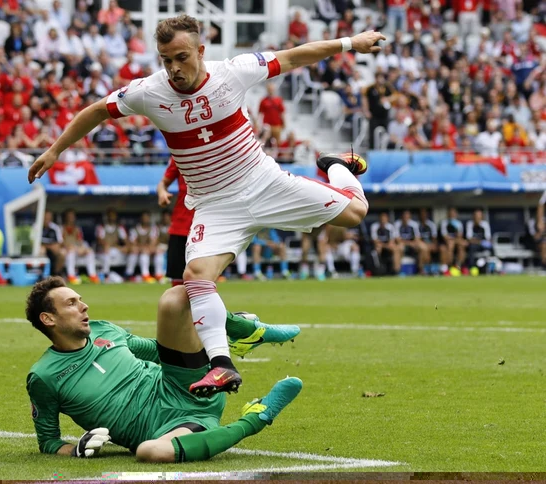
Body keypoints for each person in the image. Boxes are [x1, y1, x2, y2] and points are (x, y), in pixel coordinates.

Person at [28, 15, 384, 396]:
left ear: (200, 51)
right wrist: (55, 150)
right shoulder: (149, 92)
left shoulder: (233, 72)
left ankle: (333, 165)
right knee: (195, 274)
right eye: (166, 60)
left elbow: (295, 56)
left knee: (355, 213)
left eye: (181, 57)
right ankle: (221, 365)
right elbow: (98, 110)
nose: (174, 68)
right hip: (215, 205)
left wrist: (350, 43)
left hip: (263, 182)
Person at [25, 276, 301, 461]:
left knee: (176, 297)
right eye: (71, 304)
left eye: (80, 299)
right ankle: (257, 417)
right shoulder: (44, 376)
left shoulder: (106, 330)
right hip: (171, 427)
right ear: (48, 318)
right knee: (149, 452)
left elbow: (161, 350)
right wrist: (76, 450)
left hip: (186, 383)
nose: (84, 306)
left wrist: (205, 343)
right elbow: (48, 441)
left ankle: (246, 331)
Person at [157, 157, 194, 287]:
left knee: (204, 277)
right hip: (181, 224)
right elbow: (162, 184)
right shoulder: (179, 155)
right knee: (178, 280)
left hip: (206, 224)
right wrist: (162, 193)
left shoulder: (214, 151)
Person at [62, 210, 99, 285]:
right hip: (66, 250)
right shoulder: (61, 228)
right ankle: (71, 276)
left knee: (89, 251)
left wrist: (82, 248)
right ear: (66, 218)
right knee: (71, 252)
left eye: (72, 216)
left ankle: (92, 275)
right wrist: (72, 247)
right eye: (69, 216)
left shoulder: (77, 229)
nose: (71, 218)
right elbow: (61, 242)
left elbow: (80, 241)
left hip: (76, 249)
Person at [95, 207, 129, 282]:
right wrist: (108, 246)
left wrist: (124, 247)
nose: (111, 217)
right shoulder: (101, 227)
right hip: (102, 253)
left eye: (113, 216)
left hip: (116, 251)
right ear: (106, 217)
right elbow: (101, 241)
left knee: (128, 253)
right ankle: (105, 275)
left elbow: (126, 241)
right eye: (109, 215)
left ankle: (129, 275)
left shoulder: (119, 228)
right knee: (107, 253)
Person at [126, 211, 159, 283]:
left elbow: (153, 242)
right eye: (144, 218)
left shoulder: (153, 228)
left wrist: (148, 248)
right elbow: (133, 243)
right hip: (137, 250)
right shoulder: (134, 229)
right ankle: (129, 274)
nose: (145, 220)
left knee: (154, 252)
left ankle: (155, 275)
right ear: (141, 219)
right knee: (133, 252)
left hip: (148, 251)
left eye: (147, 218)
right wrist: (142, 248)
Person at [394, 210, 429, 275]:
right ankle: (398, 270)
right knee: (398, 248)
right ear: (402, 217)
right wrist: (409, 243)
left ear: (409, 217)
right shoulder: (397, 224)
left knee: (423, 247)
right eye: (404, 217)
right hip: (402, 244)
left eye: (407, 217)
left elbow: (417, 237)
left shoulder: (414, 224)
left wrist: (414, 243)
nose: (405, 218)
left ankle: (421, 268)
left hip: (413, 243)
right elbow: (397, 239)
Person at [41, 211, 65, 277]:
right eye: (45, 218)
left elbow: (60, 242)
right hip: (42, 247)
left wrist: (55, 246)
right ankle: (43, 275)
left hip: (53, 248)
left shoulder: (55, 228)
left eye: (49, 218)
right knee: (41, 250)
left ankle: (56, 274)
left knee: (62, 253)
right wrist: (48, 246)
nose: (47, 220)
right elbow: (34, 242)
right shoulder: (37, 226)